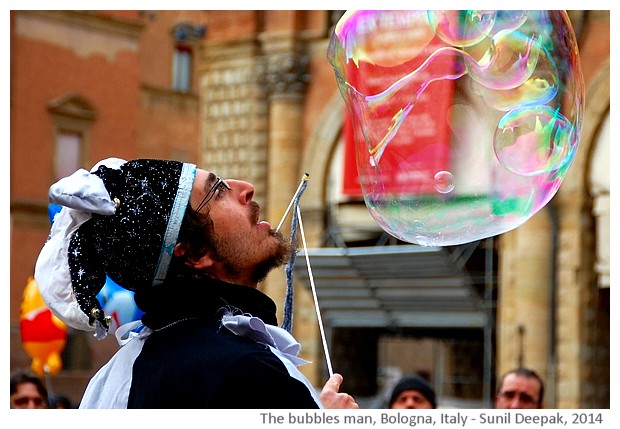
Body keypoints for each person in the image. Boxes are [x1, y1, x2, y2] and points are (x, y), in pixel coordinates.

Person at [35, 158, 358, 409]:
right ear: (195, 253)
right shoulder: (244, 371)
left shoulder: (113, 376)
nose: (246, 188)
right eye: (217, 192)